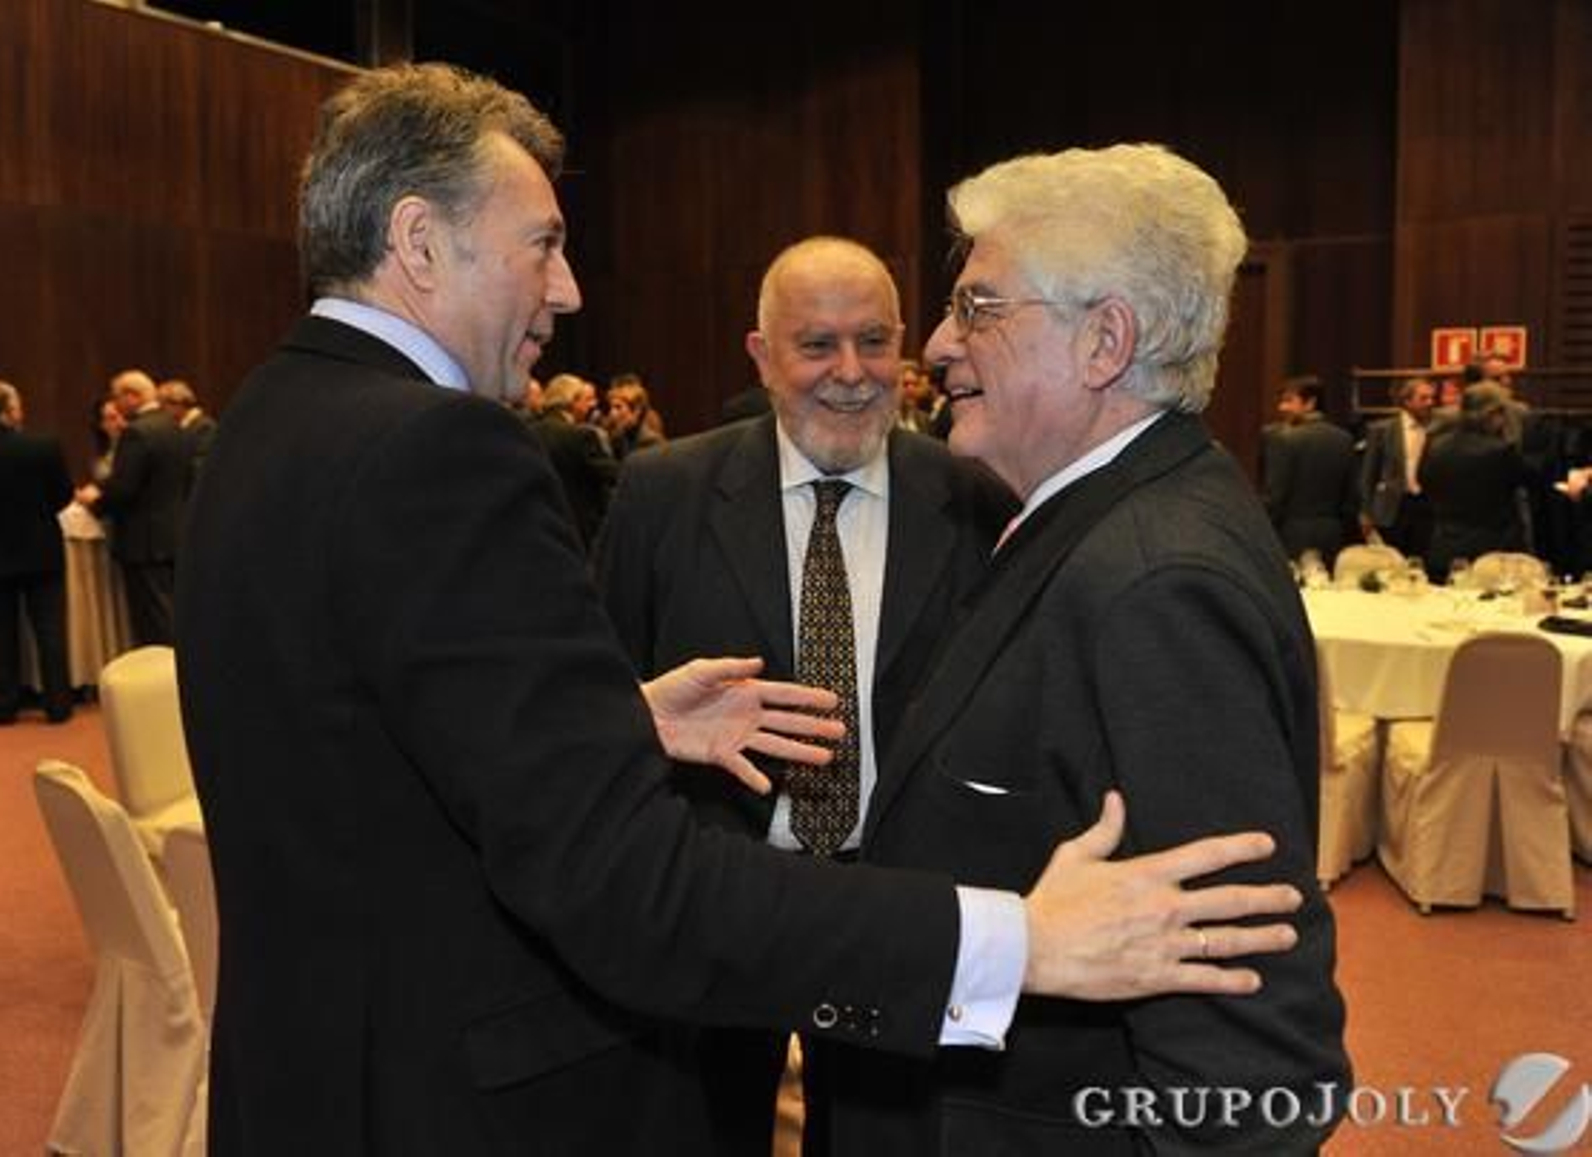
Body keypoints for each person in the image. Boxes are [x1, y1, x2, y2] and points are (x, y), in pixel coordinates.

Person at [175, 65, 1303, 1156]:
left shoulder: (271, 415)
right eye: (544, 244)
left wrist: (607, 720)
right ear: (420, 242)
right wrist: (1020, 940)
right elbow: (625, 884)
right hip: (439, 1098)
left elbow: (353, 733)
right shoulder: (440, 451)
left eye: (975, 306)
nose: (567, 291)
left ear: (1106, 340)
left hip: (322, 1076)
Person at [808, 144, 1350, 1155]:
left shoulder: (1157, 581)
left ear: (1104, 341)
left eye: (977, 307)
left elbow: (1245, 1054)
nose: (938, 343)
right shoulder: (1092, 518)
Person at [594, 236, 1018, 1153]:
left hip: (894, 903)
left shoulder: (974, 496)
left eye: (874, 341)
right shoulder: (663, 493)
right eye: (817, 345)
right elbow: (606, 694)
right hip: (718, 900)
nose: (852, 373)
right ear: (761, 355)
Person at [76, 368, 192, 645]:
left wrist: (94, 504)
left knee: (153, 621)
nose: (115, 405)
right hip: (174, 534)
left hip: (144, 542)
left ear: (133, 396)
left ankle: (162, 672)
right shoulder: (175, 426)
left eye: (117, 397)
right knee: (173, 614)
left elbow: (123, 489)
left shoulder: (137, 432)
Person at [0, 381, 74, 724]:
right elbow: (64, 495)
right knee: (50, 630)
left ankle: (3, 706)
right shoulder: (43, 446)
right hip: (42, 550)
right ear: (10, 410)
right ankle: (58, 704)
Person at [1419, 381, 1531, 582]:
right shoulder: (1501, 451)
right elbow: (1524, 485)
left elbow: (1424, 482)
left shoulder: (1436, 446)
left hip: (1444, 547)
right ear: (1491, 414)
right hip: (1493, 553)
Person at [1260, 375, 1357, 567]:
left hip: (1292, 536)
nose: (1282, 407)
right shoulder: (1344, 439)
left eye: (1289, 401)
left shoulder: (1283, 440)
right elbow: (1351, 499)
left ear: (1310, 403)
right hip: (1333, 536)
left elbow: (1275, 497)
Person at [531, 372, 619, 547]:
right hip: (581, 533)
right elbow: (615, 476)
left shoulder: (529, 431)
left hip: (542, 530)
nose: (593, 405)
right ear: (573, 401)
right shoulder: (581, 436)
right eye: (586, 400)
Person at [1359, 375, 1437, 557]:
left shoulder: (1437, 428)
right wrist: (1365, 512)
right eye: (1423, 398)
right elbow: (1369, 474)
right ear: (1407, 401)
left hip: (1426, 505)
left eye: (1432, 398)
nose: (1430, 403)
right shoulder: (1382, 430)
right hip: (1393, 506)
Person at [158, 378, 219, 489]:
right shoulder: (178, 426)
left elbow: (200, 465)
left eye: (162, 405)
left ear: (178, 404)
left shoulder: (204, 427)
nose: (160, 411)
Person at [604, 371, 665, 459]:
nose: (612, 413)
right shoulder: (617, 439)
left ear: (637, 410)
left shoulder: (651, 442)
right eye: (611, 407)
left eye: (618, 407)